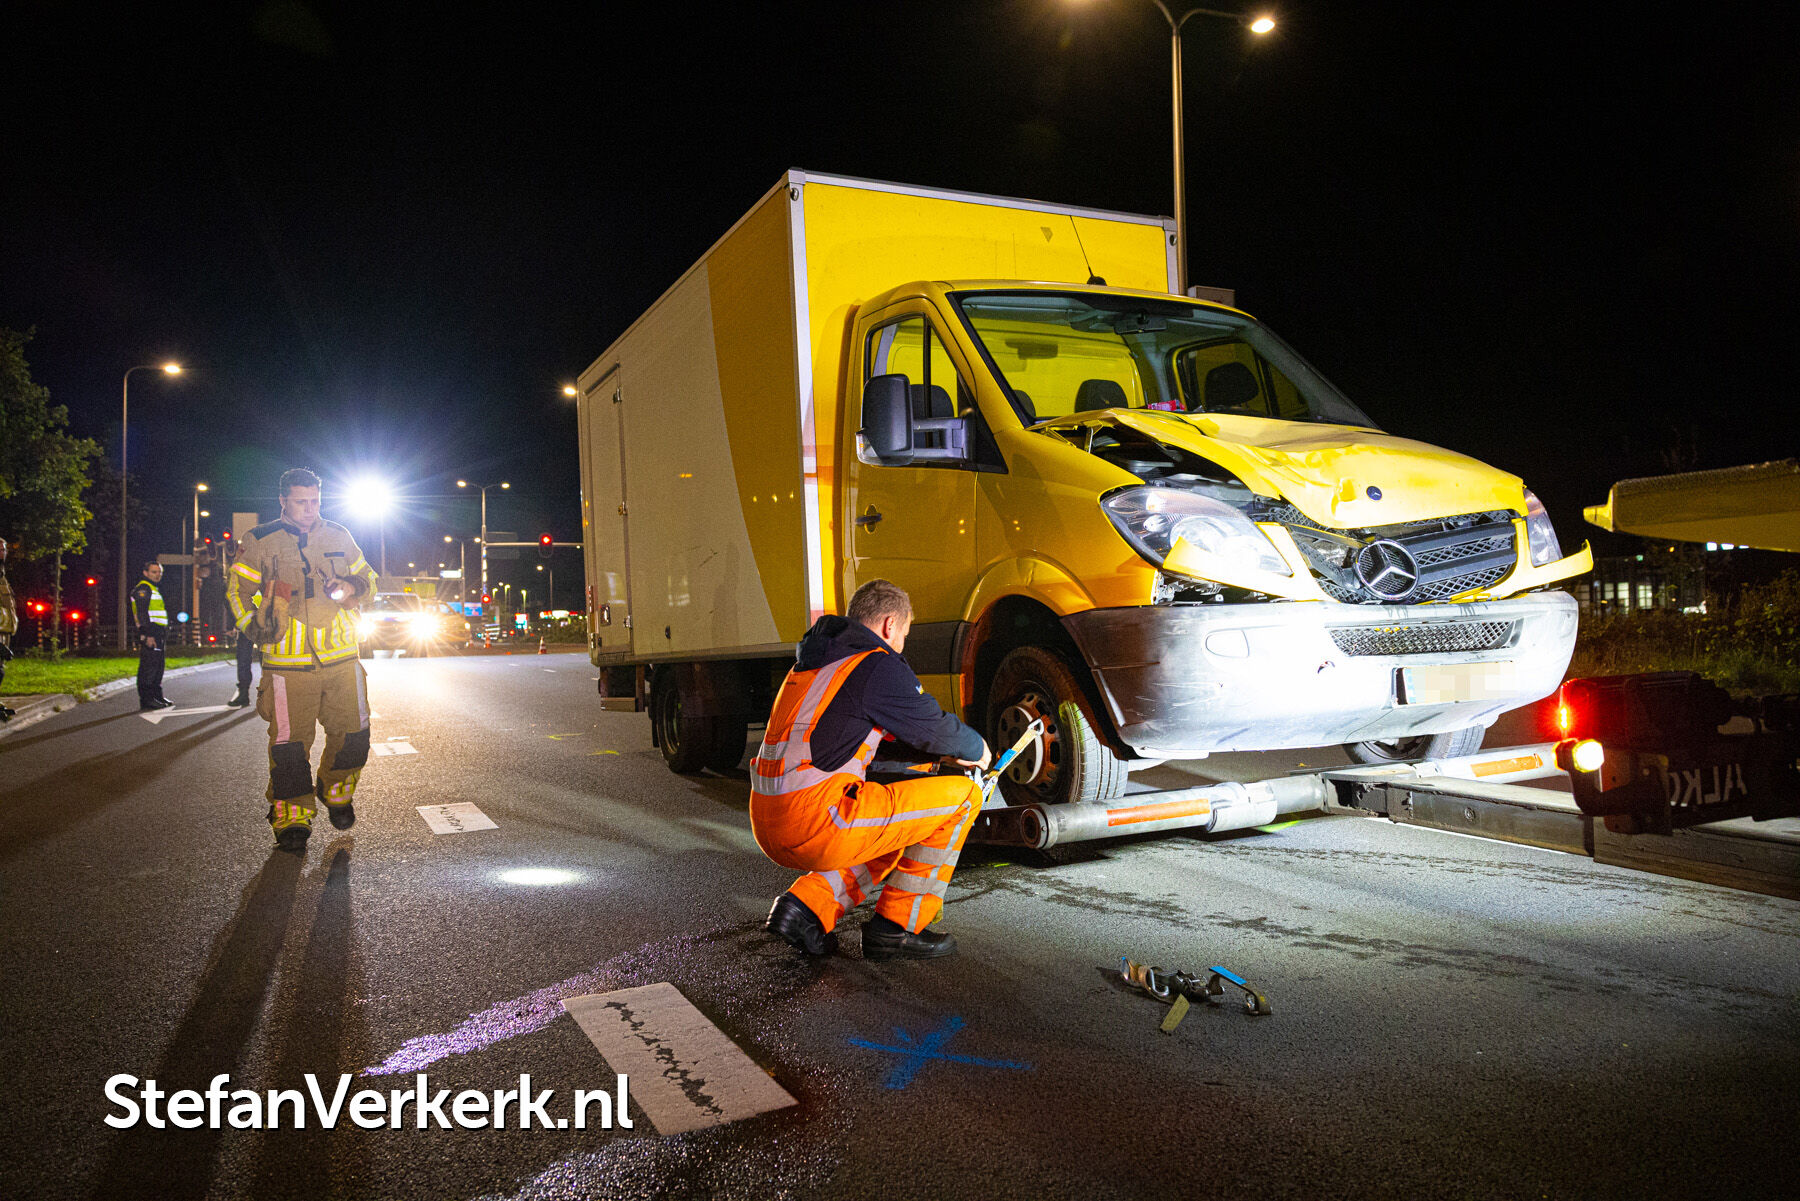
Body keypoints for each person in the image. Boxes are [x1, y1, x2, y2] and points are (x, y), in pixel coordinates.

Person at [751, 579, 992, 961]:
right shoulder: (876, 664)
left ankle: (806, 909)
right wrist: (977, 750)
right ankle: (898, 928)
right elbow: (933, 725)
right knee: (964, 797)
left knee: (894, 825)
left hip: (770, 819)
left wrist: (934, 760)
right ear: (888, 625)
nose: (901, 646)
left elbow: (855, 742)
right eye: (904, 635)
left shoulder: (818, 662)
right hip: (817, 820)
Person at [228, 468, 378, 851]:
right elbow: (236, 591)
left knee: (355, 737)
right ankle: (292, 816)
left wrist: (350, 586)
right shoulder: (259, 540)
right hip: (286, 666)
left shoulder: (339, 535)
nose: (310, 509)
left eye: (315, 501)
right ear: (283, 501)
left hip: (343, 658)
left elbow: (369, 579)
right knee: (290, 746)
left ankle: (336, 790)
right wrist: (254, 628)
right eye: (301, 501)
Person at [131, 561, 173, 711]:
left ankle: (157, 696)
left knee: (158, 666)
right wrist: (147, 635)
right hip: (151, 632)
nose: (157, 575)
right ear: (146, 573)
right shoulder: (143, 588)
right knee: (148, 668)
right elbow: (142, 614)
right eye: (154, 572)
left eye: (159, 572)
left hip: (158, 632)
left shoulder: (153, 589)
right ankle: (147, 699)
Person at [0, 536, 16, 722]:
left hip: (4, 631)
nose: (3, 552)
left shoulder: (2, 575)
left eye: (4, 549)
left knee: (1, 668)